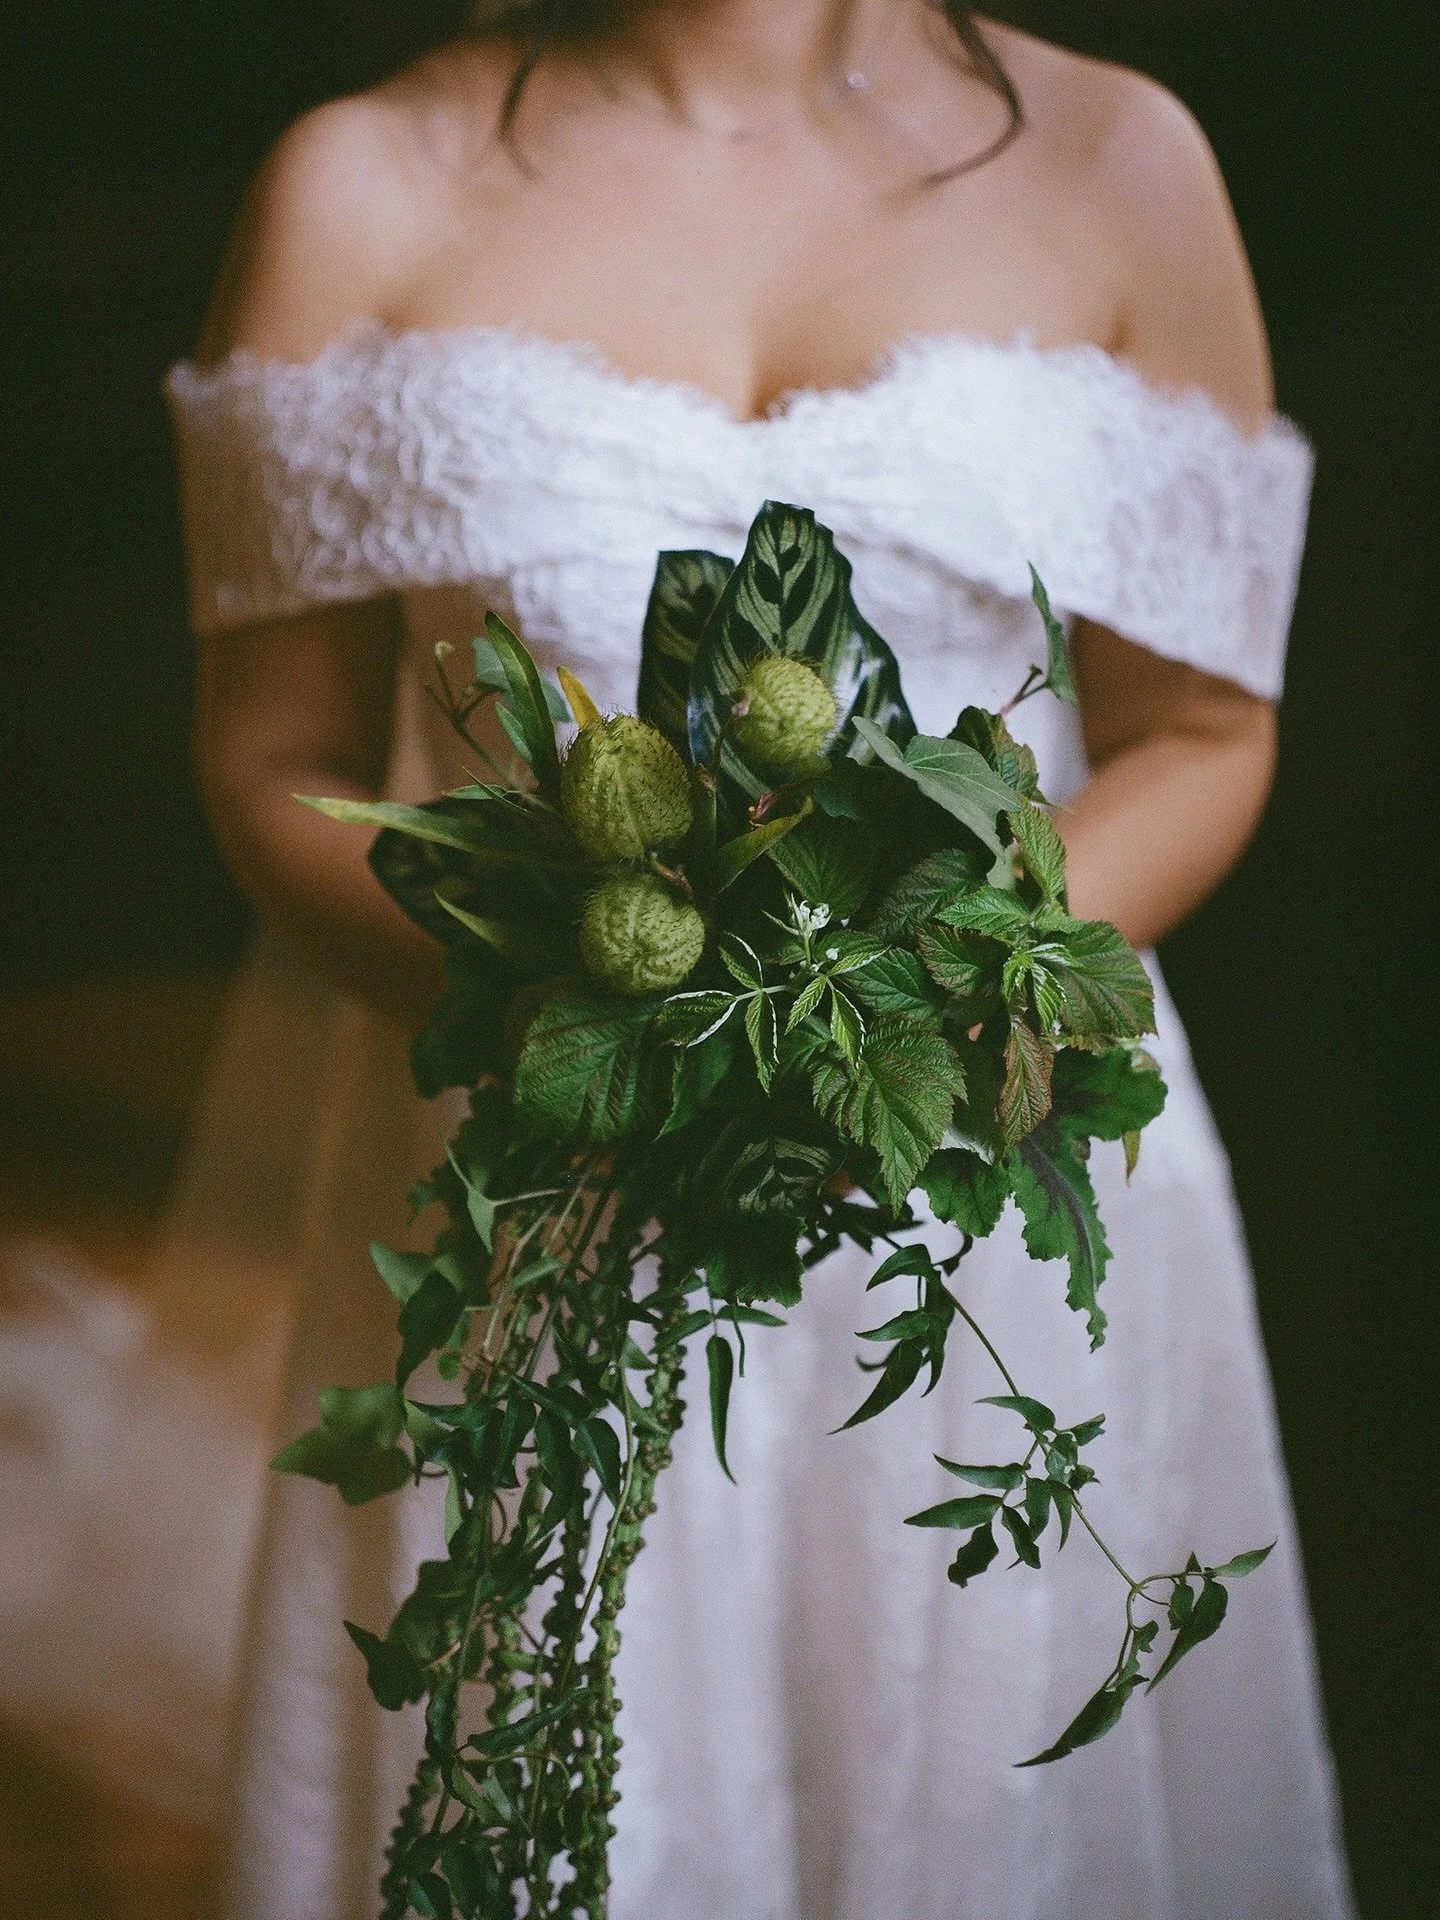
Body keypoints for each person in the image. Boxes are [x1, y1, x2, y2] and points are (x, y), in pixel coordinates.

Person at [162, 2, 1354, 1913]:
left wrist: (944, 996)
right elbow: (272, 759)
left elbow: (1203, 731)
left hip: (988, 1181)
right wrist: (581, 1021)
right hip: (538, 1192)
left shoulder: (1124, 160)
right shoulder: (361, 186)